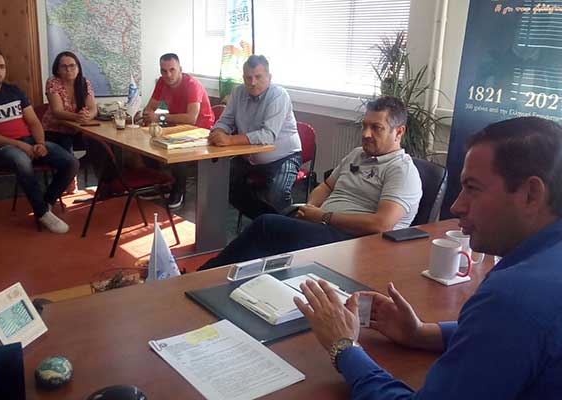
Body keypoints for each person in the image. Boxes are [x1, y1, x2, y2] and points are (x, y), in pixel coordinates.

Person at [294, 116, 562, 399]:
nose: (457, 206)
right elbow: (507, 334)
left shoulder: (513, 298)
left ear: (531, 194)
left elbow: (512, 319)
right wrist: (423, 334)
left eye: (472, 188)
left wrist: (344, 347)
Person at [200, 96, 422, 270]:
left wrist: (324, 217)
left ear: (399, 131)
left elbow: (381, 224)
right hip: (325, 226)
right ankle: (221, 278)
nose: (366, 134)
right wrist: (311, 207)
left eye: (376, 128)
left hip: (354, 242)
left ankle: (204, 275)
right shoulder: (357, 155)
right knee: (266, 234)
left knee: (266, 226)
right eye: (364, 126)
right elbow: (327, 186)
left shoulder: (401, 170)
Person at [0, 48, 79, 234]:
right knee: (21, 159)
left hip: (29, 141)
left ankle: (46, 204)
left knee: (71, 162)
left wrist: (40, 143)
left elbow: (33, 121)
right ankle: (42, 213)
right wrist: (20, 145)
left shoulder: (14, 91)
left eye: (1, 66)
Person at [209, 54, 302, 219]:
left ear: (269, 77)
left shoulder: (278, 95)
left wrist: (229, 140)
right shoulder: (238, 92)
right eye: (248, 77)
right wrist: (218, 131)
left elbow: (267, 135)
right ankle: (263, 221)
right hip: (248, 157)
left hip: (283, 157)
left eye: (258, 77)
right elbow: (226, 120)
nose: (252, 82)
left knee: (276, 195)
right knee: (220, 182)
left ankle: (283, 225)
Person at [142, 53, 215, 208]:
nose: (168, 75)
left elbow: (191, 118)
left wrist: (159, 117)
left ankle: (178, 190)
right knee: (147, 142)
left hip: (201, 130)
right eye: (164, 71)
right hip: (178, 127)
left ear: (180, 69)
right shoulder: (161, 82)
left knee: (177, 151)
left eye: (172, 70)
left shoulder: (192, 84)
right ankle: (161, 184)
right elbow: (150, 108)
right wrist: (146, 115)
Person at [41, 51, 98, 193]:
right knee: (66, 142)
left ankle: (106, 183)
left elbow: (93, 109)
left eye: (72, 66)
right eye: (64, 66)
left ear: (78, 68)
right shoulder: (53, 82)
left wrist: (87, 116)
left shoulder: (84, 83)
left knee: (100, 144)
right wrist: (78, 117)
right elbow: (57, 112)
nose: (69, 70)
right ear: (57, 69)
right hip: (54, 130)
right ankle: (70, 178)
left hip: (78, 129)